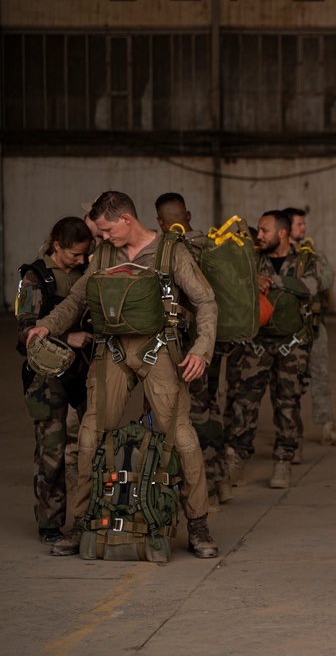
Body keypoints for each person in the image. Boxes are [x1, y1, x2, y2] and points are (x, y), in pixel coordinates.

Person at [27, 191, 219, 558]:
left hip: (159, 349)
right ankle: (82, 524)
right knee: (88, 435)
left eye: (106, 230)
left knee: (180, 436)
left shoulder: (170, 252)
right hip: (112, 350)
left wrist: (201, 349)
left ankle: (198, 525)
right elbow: (77, 300)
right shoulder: (103, 256)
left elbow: (205, 301)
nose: (102, 237)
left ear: (126, 220)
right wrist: (47, 326)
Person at [227, 210, 321, 489]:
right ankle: (236, 459)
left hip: (292, 344)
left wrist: (275, 281)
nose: (259, 236)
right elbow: (229, 283)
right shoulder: (251, 259)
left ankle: (282, 461)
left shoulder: (305, 259)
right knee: (244, 401)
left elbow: (314, 286)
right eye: (258, 230)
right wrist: (250, 280)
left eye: (264, 231)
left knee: (287, 403)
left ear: (281, 233)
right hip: (256, 342)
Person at [16, 217, 93, 545]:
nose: (80, 260)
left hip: (83, 373)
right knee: (52, 450)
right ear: (57, 246)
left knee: (87, 448)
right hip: (47, 378)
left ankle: (86, 519)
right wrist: (66, 334)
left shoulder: (86, 272)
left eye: (83, 255)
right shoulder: (34, 277)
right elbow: (25, 332)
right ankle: (50, 522)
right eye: (74, 254)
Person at [155, 193, 233, 507]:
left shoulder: (168, 252)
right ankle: (221, 479)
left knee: (189, 414)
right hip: (215, 340)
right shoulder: (214, 246)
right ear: (188, 215)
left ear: (160, 223)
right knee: (214, 407)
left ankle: (199, 484)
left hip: (185, 348)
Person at [284, 207, 336, 450]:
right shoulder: (278, 258)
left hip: (313, 325)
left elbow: (326, 279)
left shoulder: (311, 255)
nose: (304, 229)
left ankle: (327, 428)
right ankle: (292, 437)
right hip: (288, 329)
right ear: (286, 228)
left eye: (303, 224)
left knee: (320, 376)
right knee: (290, 382)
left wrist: (294, 283)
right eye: (299, 224)